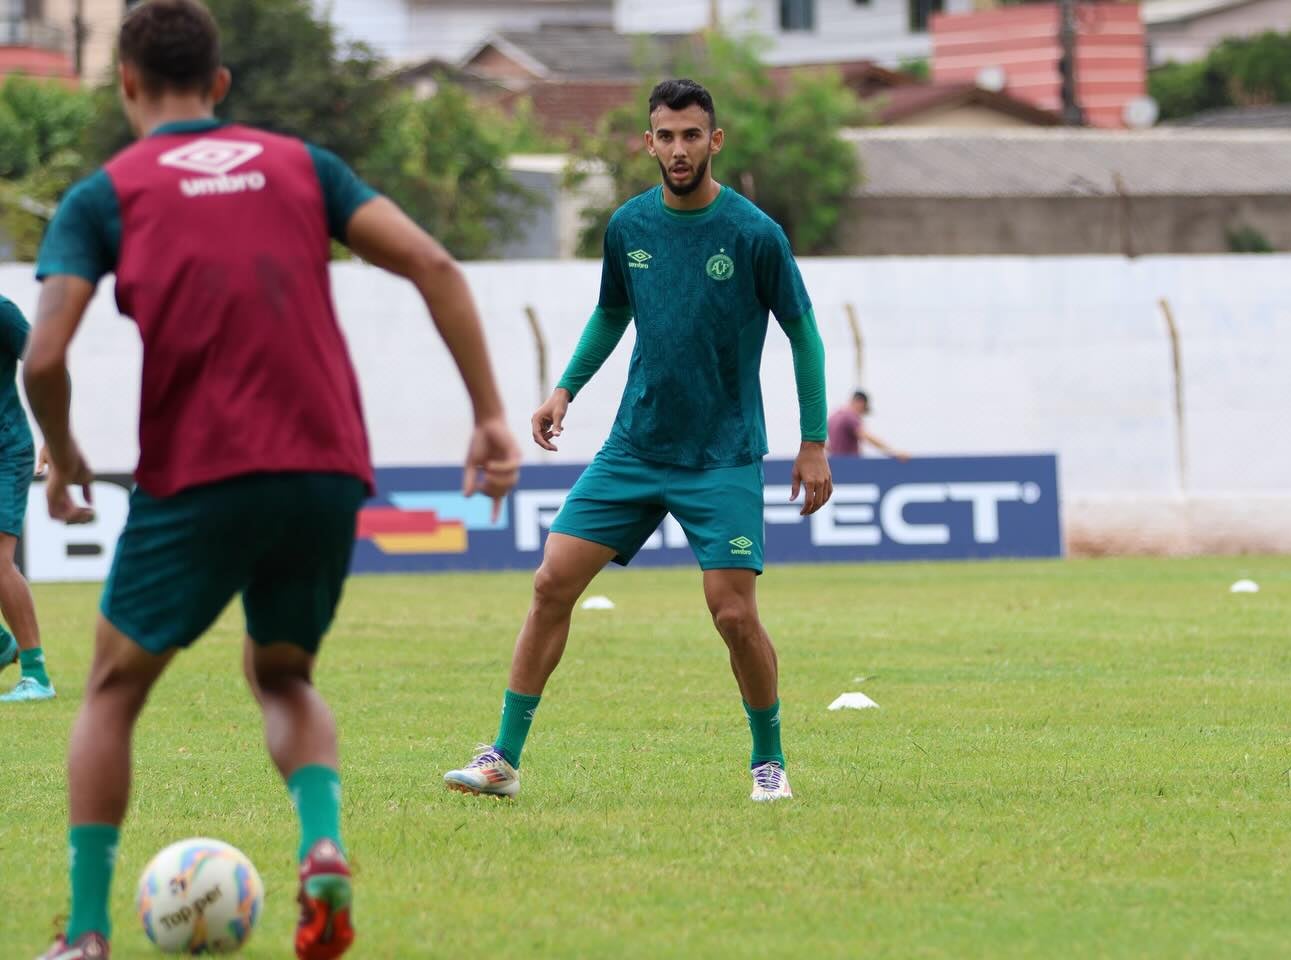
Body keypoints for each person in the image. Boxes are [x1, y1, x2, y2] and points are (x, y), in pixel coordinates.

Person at [24, 2, 520, 958]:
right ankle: (323, 846)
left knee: (112, 695)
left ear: (125, 82)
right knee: (283, 673)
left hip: (200, 471)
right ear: (219, 86)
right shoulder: (300, 165)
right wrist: (491, 414)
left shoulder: (107, 193)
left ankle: (85, 935)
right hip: (325, 467)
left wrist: (65, 448)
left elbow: (43, 358)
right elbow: (435, 265)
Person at [443, 78, 832, 804]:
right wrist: (566, 387)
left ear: (714, 141)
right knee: (551, 583)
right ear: (648, 142)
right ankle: (502, 758)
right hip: (634, 448)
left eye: (692, 135)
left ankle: (768, 762)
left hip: (721, 454)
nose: (678, 149)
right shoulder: (628, 227)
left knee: (734, 615)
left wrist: (814, 441)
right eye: (666, 135)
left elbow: (803, 334)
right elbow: (611, 313)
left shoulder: (754, 234)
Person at [0, 295, 53, 703]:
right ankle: (3, 643)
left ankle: (36, 676)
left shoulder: (2, 311)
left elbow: (45, 365)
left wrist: (55, 435)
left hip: (6, 450)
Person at [826, 389, 909, 460]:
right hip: (850, 465)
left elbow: (830, 445)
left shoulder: (834, 416)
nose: (861, 414)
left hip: (835, 465)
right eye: (864, 409)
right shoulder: (850, 416)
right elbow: (866, 436)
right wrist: (892, 452)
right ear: (860, 403)